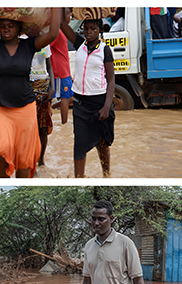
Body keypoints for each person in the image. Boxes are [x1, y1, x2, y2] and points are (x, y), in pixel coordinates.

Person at [0, 8, 60, 178]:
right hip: (1, 108)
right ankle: (3, 181)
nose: (6, 29)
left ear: (19, 28)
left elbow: (53, 33)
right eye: (3, 26)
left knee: (24, 161)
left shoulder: (29, 45)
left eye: (10, 26)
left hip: (25, 109)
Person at [59, 12, 115, 178]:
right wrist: (65, 9)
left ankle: (106, 175)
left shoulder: (105, 51)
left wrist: (106, 107)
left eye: (93, 28)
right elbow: (62, 24)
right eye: (86, 28)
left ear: (99, 31)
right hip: (80, 104)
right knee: (79, 144)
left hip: (99, 103)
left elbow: (111, 81)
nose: (88, 31)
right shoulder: (79, 45)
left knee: (102, 143)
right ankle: (79, 179)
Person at [29, 44, 54, 166]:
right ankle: (31, 160)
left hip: (44, 86)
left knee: (43, 127)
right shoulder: (21, 41)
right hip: (27, 86)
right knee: (29, 128)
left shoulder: (45, 43)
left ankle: (41, 160)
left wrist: (53, 88)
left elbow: (49, 67)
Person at [48, 12, 73, 124]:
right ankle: (63, 124)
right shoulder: (56, 32)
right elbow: (46, 47)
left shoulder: (60, 31)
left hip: (64, 71)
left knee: (68, 97)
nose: (70, 16)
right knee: (65, 99)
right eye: (68, 14)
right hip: (60, 72)